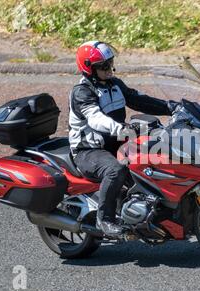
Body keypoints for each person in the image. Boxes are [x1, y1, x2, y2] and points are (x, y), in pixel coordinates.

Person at [69, 41, 176, 237]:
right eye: (103, 66)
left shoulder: (114, 84)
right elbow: (96, 119)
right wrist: (122, 128)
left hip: (116, 142)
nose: (109, 69)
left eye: (110, 63)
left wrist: (171, 107)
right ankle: (105, 219)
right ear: (89, 68)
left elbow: (139, 100)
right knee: (115, 170)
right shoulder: (82, 92)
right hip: (88, 150)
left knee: (155, 154)